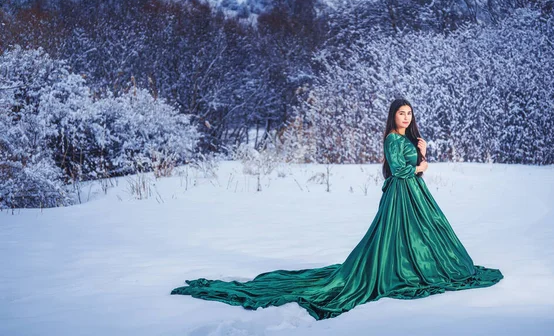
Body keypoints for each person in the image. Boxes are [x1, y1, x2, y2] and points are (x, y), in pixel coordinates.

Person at [171, 98, 504, 320]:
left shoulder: (408, 140)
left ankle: (415, 267)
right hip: (403, 194)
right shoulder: (392, 139)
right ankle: (401, 270)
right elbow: (401, 171)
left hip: (414, 195)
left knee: (421, 237)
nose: (406, 117)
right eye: (402, 113)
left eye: (410, 113)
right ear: (392, 117)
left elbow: (410, 164)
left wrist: (422, 152)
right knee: (398, 238)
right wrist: (422, 165)